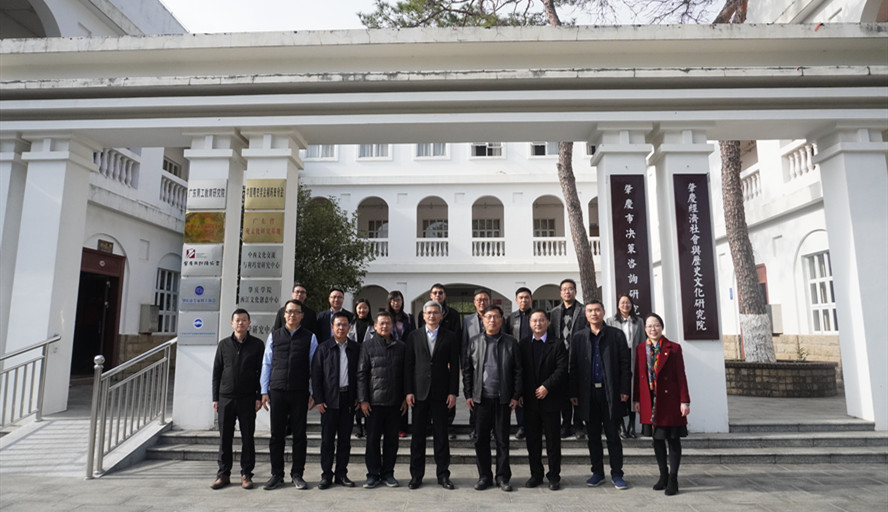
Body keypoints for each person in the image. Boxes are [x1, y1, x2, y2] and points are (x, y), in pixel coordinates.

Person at [569, 300, 631, 490]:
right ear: (585, 314)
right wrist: (573, 392)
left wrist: (624, 390)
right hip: (588, 394)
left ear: (603, 312)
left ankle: (617, 473)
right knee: (593, 436)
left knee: (613, 436)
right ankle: (597, 472)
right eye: (590, 311)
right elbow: (573, 366)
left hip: (610, 392)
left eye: (597, 310)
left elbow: (625, 365)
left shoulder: (616, 335)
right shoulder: (578, 337)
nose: (594, 313)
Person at [260, 299, 318, 491]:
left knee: (299, 435)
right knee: (276, 435)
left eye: (296, 312)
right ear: (284, 314)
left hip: (299, 391)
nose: (292, 315)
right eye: (289, 312)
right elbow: (267, 363)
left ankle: (297, 474)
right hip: (277, 390)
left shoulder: (310, 337)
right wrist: (264, 390)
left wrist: (313, 392)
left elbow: (314, 366)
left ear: (302, 316)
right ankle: (276, 474)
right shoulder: (274, 336)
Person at [463, 305, 522, 493]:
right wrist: (468, 394)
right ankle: (484, 476)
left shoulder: (511, 342)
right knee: (481, 440)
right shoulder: (474, 342)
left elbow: (518, 371)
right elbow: (468, 371)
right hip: (481, 399)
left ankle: (503, 477)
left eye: (496, 317)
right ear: (483, 320)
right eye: (488, 317)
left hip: (502, 399)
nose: (492, 320)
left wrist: (515, 395)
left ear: (501, 320)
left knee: (502, 440)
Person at [404, 300, 459, 490]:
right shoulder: (414, 336)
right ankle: (416, 476)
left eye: (436, 312)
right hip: (419, 393)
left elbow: (455, 367)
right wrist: (408, 391)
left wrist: (453, 392)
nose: (432, 316)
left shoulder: (450, 336)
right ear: (423, 315)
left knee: (441, 436)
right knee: (417, 437)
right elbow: (408, 365)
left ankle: (443, 475)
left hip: (441, 393)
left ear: (441, 315)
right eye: (428, 313)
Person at [633, 313, 690, 496]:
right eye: (649, 326)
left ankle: (673, 478)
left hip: (670, 401)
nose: (653, 329)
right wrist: (637, 399)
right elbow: (638, 376)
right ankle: (663, 475)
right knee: (657, 439)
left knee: (673, 440)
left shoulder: (674, 348)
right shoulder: (641, 348)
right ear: (645, 329)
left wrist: (684, 401)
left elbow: (681, 375)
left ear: (662, 327)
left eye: (656, 325)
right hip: (650, 401)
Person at [210, 309, 265, 490]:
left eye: (244, 320)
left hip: (247, 398)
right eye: (237, 320)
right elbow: (217, 372)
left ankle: (246, 474)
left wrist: (258, 396)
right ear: (231, 323)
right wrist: (215, 398)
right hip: (225, 398)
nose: (240, 323)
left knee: (247, 437)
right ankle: (223, 474)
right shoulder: (223, 345)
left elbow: (261, 372)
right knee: (225, 438)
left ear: (249, 323)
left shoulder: (257, 345)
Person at [517, 309, 567, 491]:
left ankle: (554, 476)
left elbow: (562, 369)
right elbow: (518, 370)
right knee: (533, 441)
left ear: (548, 322)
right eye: (534, 321)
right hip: (530, 401)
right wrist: (519, 393)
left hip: (550, 400)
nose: (538, 324)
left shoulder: (557, 344)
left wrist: (547, 386)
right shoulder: (523, 344)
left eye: (541, 320)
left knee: (553, 441)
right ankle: (536, 474)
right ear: (529, 324)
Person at [357, 311, 407, 489]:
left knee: (392, 442)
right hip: (373, 403)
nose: (385, 326)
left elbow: (406, 374)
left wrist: (405, 397)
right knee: (372, 441)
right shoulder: (367, 346)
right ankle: (372, 474)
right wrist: (363, 399)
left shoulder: (401, 347)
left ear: (392, 326)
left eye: (388, 323)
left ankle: (388, 473)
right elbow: (361, 374)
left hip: (395, 403)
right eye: (381, 323)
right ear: (375, 326)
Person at [311, 311, 361, 489]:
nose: (341, 328)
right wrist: (318, 399)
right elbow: (316, 376)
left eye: (344, 325)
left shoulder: (356, 348)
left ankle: (341, 474)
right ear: (332, 327)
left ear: (349, 327)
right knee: (327, 440)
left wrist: (359, 397)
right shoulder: (323, 348)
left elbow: (360, 375)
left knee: (345, 441)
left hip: (348, 399)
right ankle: (326, 475)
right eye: (338, 325)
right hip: (329, 400)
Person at [548, 278, 588, 439]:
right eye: (564, 289)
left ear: (575, 291)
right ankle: (565, 424)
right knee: (563, 393)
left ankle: (578, 424)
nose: (567, 292)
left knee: (578, 391)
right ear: (560, 293)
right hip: (560, 358)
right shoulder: (554, 312)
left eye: (570, 289)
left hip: (578, 357)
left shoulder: (583, 310)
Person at [606, 294, 646, 439]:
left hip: (633, 356)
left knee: (632, 390)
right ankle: (621, 425)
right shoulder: (610, 321)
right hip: (617, 358)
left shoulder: (639, 321)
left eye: (628, 302)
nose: (625, 305)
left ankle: (632, 426)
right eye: (622, 303)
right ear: (618, 305)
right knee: (618, 390)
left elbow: (642, 341)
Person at [503, 287, 533, 439]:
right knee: (518, 392)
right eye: (521, 297)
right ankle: (522, 425)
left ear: (531, 299)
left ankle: (534, 424)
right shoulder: (511, 318)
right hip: (515, 358)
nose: (524, 300)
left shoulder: (536, 315)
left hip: (533, 358)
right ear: (516, 300)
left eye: (526, 297)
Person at [462, 288, 491, 440]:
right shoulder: (468, 321)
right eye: (479, 300)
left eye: (485, 299)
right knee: (473, 398)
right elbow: (464, 344)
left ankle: (491, 429)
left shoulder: (496, 318)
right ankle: (474, 427)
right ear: (474, 302)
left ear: (489, 301)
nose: (482, 302)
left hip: (492, 364)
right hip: (474, 366)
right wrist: (463, 365)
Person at [388, 290, 416, 438]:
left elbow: (414, 337)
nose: (396, 303)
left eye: (398, 300)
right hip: (389, 356)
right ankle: (390, 426)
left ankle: (402, 426)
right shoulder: (386, 318)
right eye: (393, 300)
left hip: (405, 355)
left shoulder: (409, 318)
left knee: (404, 390)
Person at [349, 298, 372, 439]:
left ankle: (368, 425)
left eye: (364, 307)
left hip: (369, 362)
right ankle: (358, 426)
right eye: (359, 308)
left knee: (367, 393)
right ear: (356, 309)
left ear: (368, 309)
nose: (362, 310)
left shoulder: (373, 325)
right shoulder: (351, 325)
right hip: (354, 361)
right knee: (356, 393)